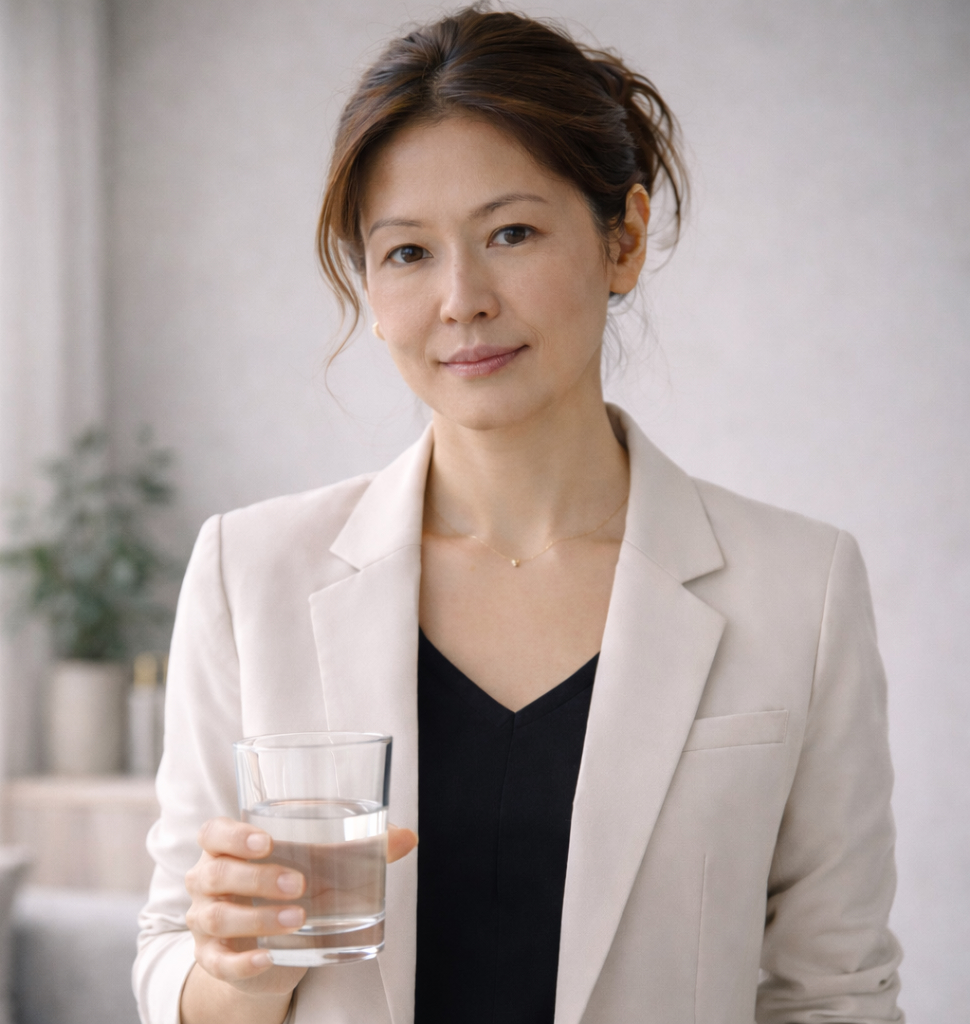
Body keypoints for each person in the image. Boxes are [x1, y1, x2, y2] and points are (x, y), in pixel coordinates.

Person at [133, 8, 904, 1024]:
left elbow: (836, 995)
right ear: (368, 284)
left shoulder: (796, 589)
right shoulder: (251, 572)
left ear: (621, 239)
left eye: (512, 233)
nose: (462, 299)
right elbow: (168, 968)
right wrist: (242, 966)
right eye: (407, 252)